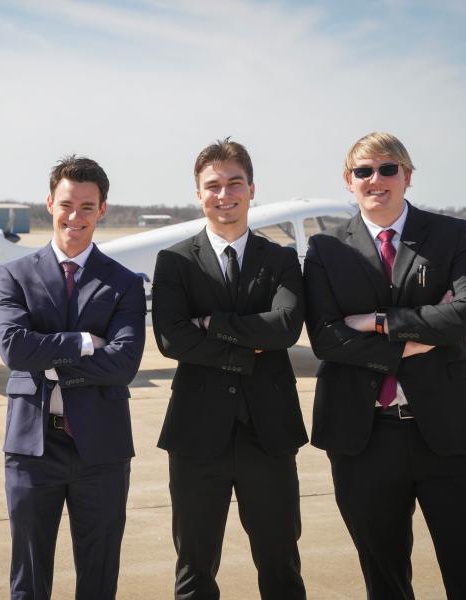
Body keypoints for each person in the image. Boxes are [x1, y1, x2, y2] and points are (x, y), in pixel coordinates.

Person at [304, 132, 466, 599]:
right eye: (364, 171)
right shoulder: (325, 249)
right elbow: (326, 338)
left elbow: (465, 316)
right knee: (384, 578)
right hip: (365, 436)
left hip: (453, 433)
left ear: (407, 176)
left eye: (388, 169)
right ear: (348, 182)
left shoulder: (454, 236)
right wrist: (408, 344)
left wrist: (378, 322)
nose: (376, 180)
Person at [152, 138, 308, 599]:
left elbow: (284, 329)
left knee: (281, 562)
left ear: (252, 188)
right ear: (199, 195)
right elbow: (171, 339)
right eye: (213, 186)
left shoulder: (280, 259)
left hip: (270, 433)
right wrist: (246, 351)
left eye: (234, 183)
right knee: (195, 566)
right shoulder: (175, 261)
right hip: (197, 436)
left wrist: (213, 324)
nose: (225, 195)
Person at [0, 155, 146, 600]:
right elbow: (14, 349)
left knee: (98, 576)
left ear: (103, 210)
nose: (74, 217)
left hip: (101, 449)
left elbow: (124, 364)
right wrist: (82, 342)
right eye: (66, 204)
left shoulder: (124, 283)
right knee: (29, 577)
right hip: (31, 447)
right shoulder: (14, 276)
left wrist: (48, 355)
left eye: (86, 207)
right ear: (49, 204)